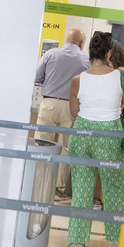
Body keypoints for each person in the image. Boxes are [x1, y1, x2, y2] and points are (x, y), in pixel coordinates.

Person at [66, 33, 124, 247]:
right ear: (109, 53)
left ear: (89, 53)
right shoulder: (121, 77)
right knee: (114, 187)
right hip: (110, 132)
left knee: (82, 186)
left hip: (82, 131)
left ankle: (77, 239)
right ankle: (117, 237)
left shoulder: (78, 80)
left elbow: (74, 112)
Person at [32, 28, 88, 199]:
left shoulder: (51, 54)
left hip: (49, 102)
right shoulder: (86, 60)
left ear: (66, 40)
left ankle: (37, 185)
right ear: (81, 43)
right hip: (72, 107)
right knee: (66, 148)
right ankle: (58, 189)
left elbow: (36, 76)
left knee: (42, 144)